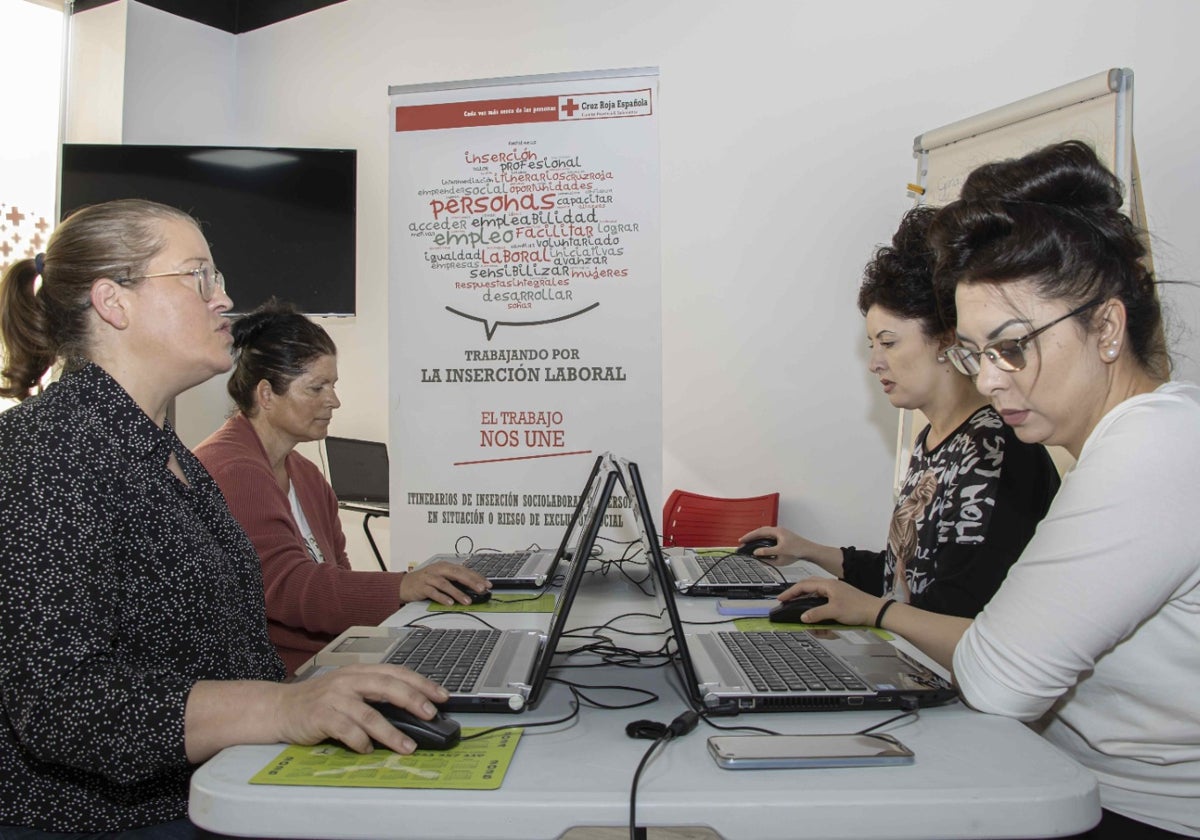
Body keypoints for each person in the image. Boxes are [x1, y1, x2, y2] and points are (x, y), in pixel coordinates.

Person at [783, 141, 1200, 839]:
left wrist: (879, 614)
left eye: (1012, 346)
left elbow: (1000, 675)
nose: (989, 380)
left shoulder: (1156, 445)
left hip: (1135, 812)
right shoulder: (1125, 444)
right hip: (1067, 781)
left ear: (1105, 326)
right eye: (977, 355)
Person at [0, 200, 451, 837]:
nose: (224, 298)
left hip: (213, 787)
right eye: (199, 277)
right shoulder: (46, 454)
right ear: (113, 302)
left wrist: (322, 689)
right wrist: (285, 705)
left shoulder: (162, 451)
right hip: (107, 821)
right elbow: (62, 706)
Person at [743, 205, 1060, 618]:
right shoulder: (932, 440)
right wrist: (807, 550)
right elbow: (903, 579)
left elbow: (959, 611)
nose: (874, 362)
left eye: (888, 343)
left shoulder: (994, 450)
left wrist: (867, 610)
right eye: (872, 345)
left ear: (947, 339)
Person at [194, 299, 489, 674]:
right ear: (266, 395)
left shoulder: (306, 475)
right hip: (276, 680)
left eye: (332, 385)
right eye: (316, 388)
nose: (333, 401)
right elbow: (288, 587)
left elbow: (337, 579)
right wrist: (403, 587)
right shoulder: (232, 470)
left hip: (325, 659)